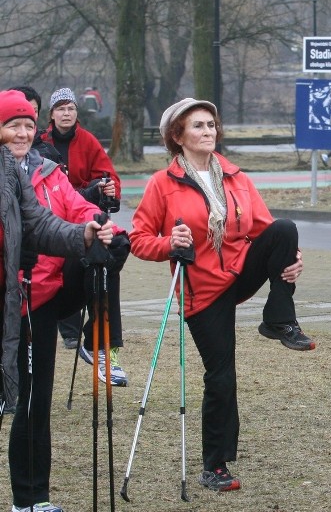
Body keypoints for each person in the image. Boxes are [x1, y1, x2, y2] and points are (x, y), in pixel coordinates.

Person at [130, 98, 313, 492]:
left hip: (238, 271)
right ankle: (215, 465)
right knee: (221, 375)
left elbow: (265, 230)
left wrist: (290, 262)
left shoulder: (235, 177)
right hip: (202, 291)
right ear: (177, 137)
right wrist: (168, 243)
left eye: (211, 125)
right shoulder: (162, 185)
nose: (208, 131)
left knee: (285, 229)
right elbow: (138, 240)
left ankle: (278, 319)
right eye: (198, 126)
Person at [0, 89, 125, 512]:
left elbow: (54, 219)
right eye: (11, 124)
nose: (21, 132)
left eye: (27, 124)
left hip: (38, 299)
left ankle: (31, 499)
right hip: (6, 297)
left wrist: (94, 228)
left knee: (34, 401)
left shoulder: (43, 172)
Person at [40, 87, 129, 384]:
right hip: (51, 224)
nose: (67, 113)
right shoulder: (40, 145)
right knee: (92, 261)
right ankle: (87, 338)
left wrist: (107, 190)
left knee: (106, 253)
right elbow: (52, 195)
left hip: (84, 215)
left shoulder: (88, 141)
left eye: (71, 108)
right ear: (51, 114)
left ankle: (101, 343)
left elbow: (108, 177)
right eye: (61, 108)